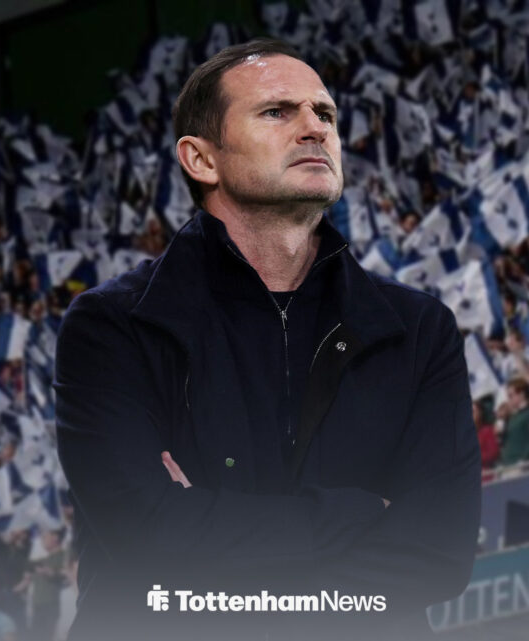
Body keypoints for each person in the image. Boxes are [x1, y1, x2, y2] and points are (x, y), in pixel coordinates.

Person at [52, 39, 481, 641]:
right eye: (277, 111)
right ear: (202, 160)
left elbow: (440, 552)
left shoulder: (416, 328)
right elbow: (147, 538)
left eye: (324, 113)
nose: (314, 128)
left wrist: (206, 538)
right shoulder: (113, 327)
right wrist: (359, 514)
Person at [496, 378, 529, 466]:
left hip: (520, 465)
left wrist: (524, 461)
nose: (508, 399)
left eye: (511, 396)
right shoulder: (512, 417)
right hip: (506, 463)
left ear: (521, 394)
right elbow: (506, 441)